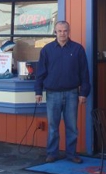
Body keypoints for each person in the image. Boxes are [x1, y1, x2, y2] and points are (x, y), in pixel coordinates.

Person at [35, 21, 91, 164]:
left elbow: (84, 73)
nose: (62, 33)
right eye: (59, 31)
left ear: (69, 31)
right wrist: (38, 91)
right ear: (55, 32)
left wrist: (83, 93)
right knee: (53, 127)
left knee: (72, 127)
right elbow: (40, 72)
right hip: (52, 94)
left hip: (72, 93)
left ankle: (71, 154)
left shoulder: (78, 49)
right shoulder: (47, 50)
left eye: (65, 31)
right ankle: (52, 154)